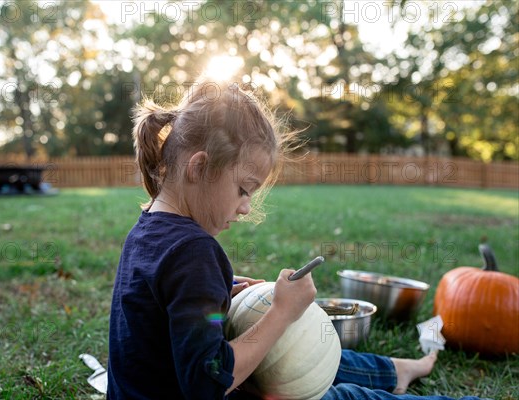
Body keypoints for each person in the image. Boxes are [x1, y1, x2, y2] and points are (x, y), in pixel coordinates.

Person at [107, 79, 484, 400]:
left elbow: (164, 309)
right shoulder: (195, 251)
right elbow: (207, 382)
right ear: (199, 167)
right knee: (337, 390)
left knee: (302, 350)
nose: (244, 207)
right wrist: (281, 313)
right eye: (243, 189)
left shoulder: (146, 231)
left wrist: (225, 292)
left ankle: (397, 370)